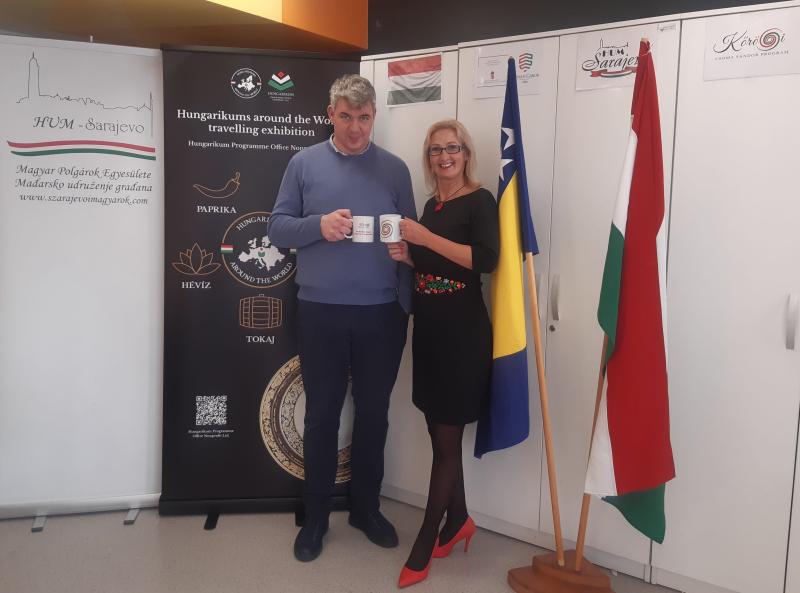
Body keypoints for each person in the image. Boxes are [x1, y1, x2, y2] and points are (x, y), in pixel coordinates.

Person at [267, 74, 417, 563]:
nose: (356, 127)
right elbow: (277, 229)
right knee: (321, 416)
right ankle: (315, 518)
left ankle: (365, 509)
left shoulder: (395, 169)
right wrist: (319, 225)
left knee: (374, 414)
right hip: (321, 312)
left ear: (374, 116)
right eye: (347, 116)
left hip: (381, 315)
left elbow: (412, 235)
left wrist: (406, 271)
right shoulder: (303, 163)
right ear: (331, 114)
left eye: (364, 117)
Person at [387, 119, 498, 588]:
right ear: (428, 158)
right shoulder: (432, 206)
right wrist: (409, 256)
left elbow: (485, 259)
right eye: (436, 150)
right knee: (438, 431)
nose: (444, 156)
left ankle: (425, 541)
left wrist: (423, 238)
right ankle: (459, 521)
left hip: (462, 333)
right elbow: (436, 261)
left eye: (452, 148)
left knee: (447, 440)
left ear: (466, 153)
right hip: (430, 328)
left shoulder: (480, 200)